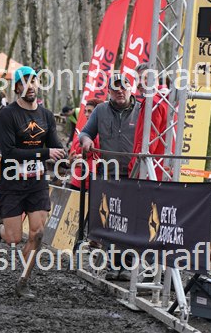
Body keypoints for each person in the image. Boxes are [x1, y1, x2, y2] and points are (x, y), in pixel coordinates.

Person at [0, 66, 65, 298]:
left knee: (38, 233)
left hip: (37, 182)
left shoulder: (46, 115)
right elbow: (9, 152)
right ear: (17, 87)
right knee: (13, 238)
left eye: (34, 81)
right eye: (25, 82)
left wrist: (66, 156)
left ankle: (24, 280)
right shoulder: (8, 114)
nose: (30, 86)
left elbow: (55, 145)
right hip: (12, 181)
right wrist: (45, 153)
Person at [79, 72, 140, 281]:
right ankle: (114, 264)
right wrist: (86, 141)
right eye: (115, 88)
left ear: (130, 88)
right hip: (108, 173)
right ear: (109, 92)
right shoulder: (100, 110)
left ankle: (128, 265)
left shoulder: (142, 110)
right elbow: (85, 132)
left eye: (124, 87)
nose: (120, 91)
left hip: (135, 174)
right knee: (113, 219)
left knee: (131, 220)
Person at [129, 63, 171, 180]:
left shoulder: (153, 102)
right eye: (136, 79)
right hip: (164, 171)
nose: (139, 83)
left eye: (144, 78)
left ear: (155, 77)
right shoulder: (168, 101)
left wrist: (134, 167)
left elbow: (147, 143)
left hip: (150, 172)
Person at [67, 98, 103, 191]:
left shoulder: (102, 131)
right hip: (80, 179)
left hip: (93, 180)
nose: (86, 114)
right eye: (85, 111)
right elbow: (79, 151)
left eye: (90, 111)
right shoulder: (86, 131)